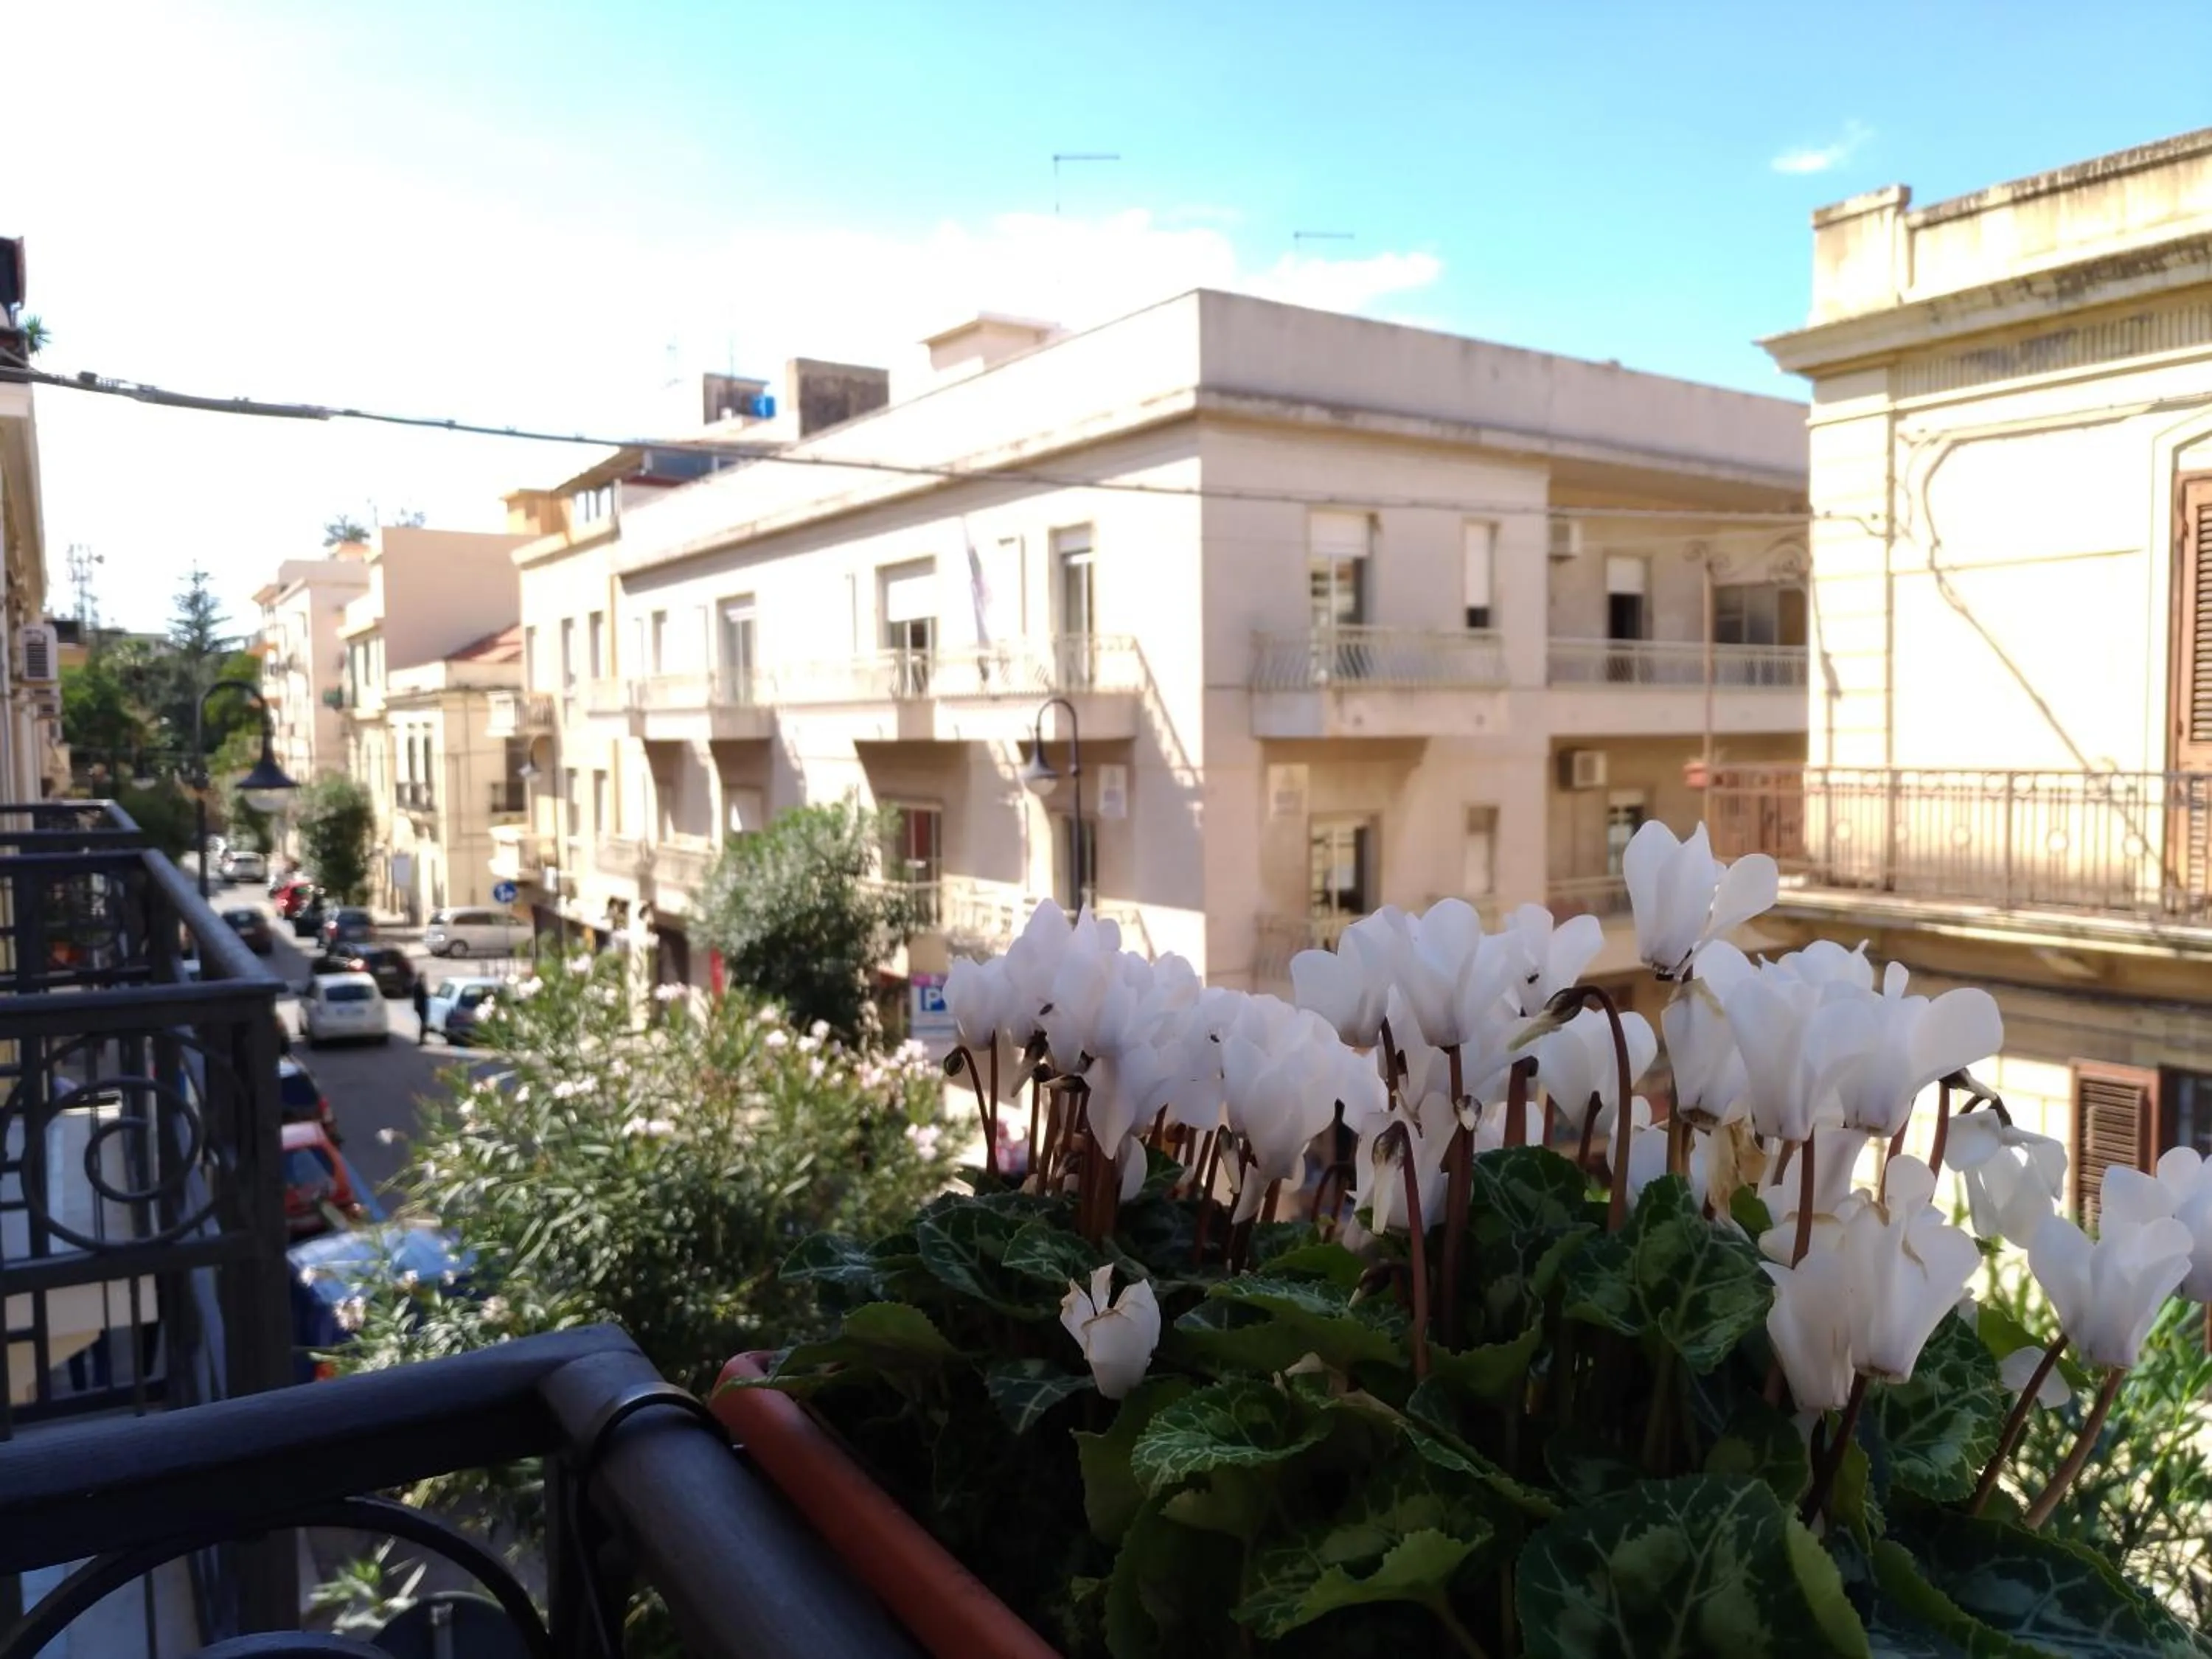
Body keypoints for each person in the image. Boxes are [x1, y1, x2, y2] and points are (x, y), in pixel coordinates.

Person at [411, 975, 430, 1046]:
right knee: (423, 1023)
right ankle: (421, 1039)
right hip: (421, 1006)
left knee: (424, 1023)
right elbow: (423, 995)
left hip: (422, 1005)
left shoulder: (418, 985)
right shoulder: (418, 985)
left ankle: (423, 1039)